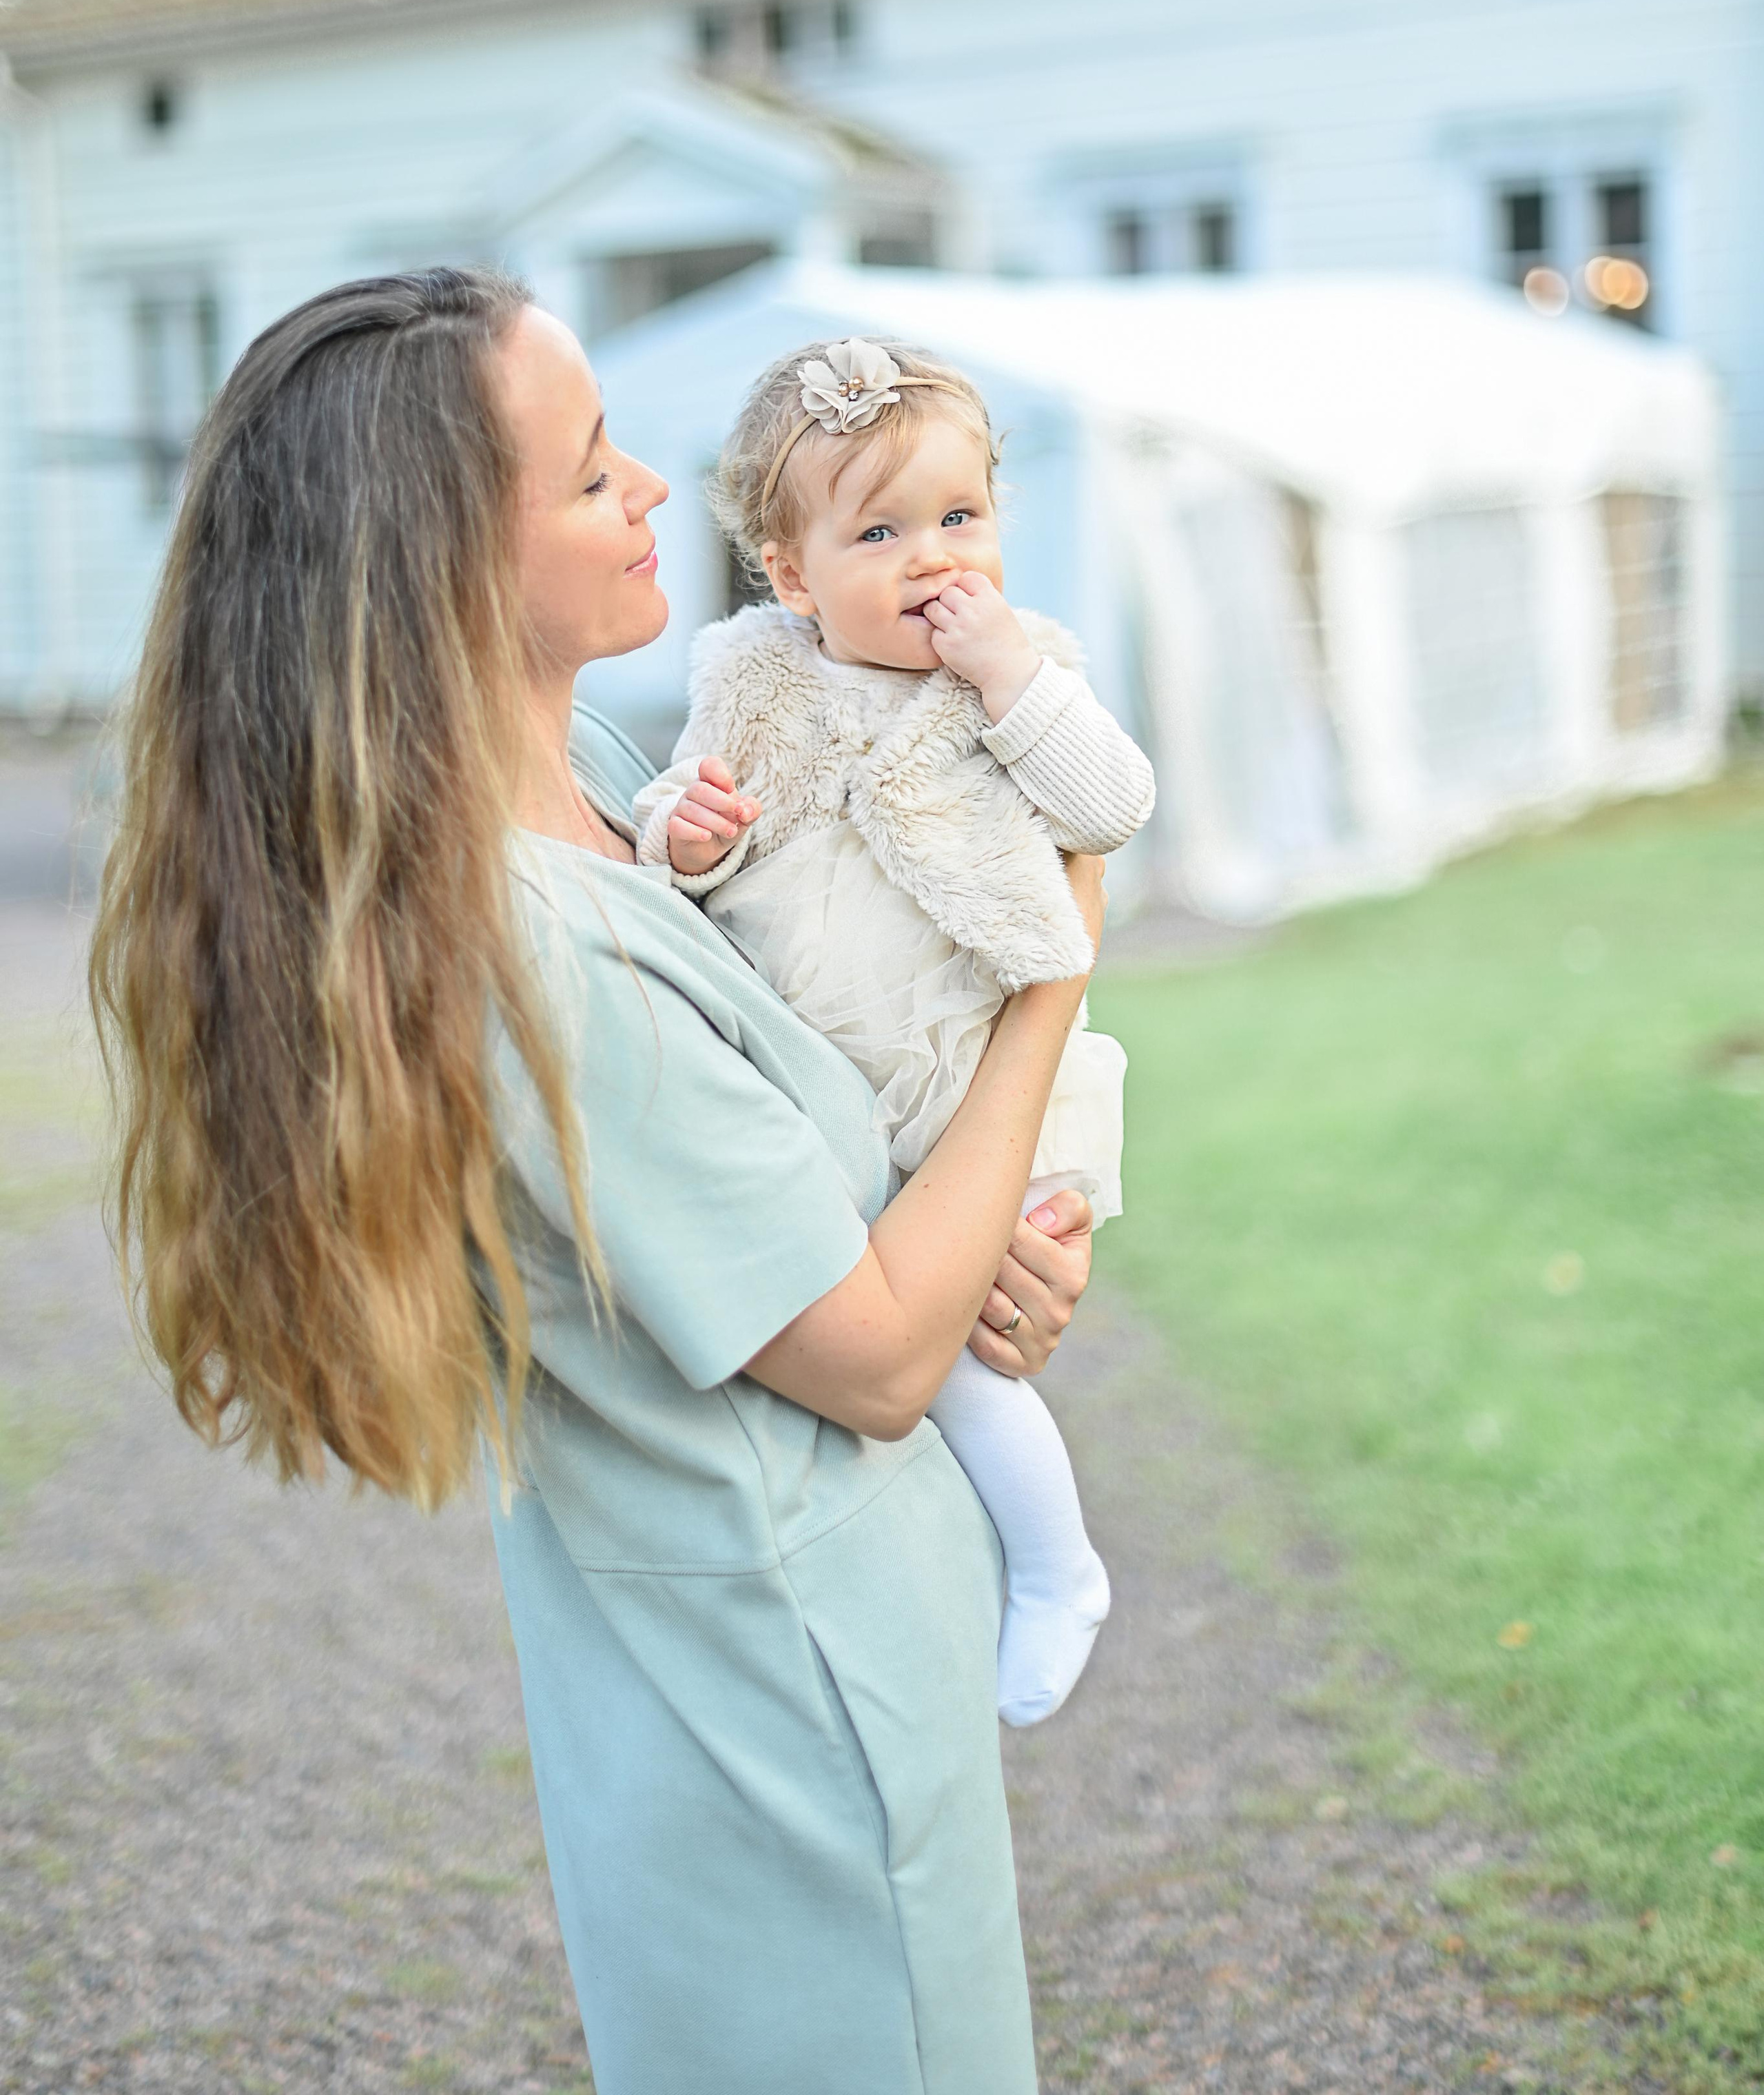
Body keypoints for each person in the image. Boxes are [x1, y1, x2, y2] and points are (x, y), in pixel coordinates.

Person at [90, 267, 1102, 2095]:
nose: (651, 492)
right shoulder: (532, 954)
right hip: (790, 1710)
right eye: (588, 473)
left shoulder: (607, 779)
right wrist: (1054, 982)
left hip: (739, 1667)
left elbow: (846, 1186)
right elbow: (870, 1356)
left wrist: (995, 1239)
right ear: (441, 570)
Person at [632, 335, 1154, 1727]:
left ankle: (1056, 1568)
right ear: (792, 575)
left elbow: (1107, 811)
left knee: (978, 1362)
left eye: (958, 518)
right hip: (825, 1098)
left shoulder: (1023, 671)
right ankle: (910, 1602)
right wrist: (684, 833)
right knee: (875, 1354)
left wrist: (1007, 681)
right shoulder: (752, 680)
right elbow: (677, 828)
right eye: (879, 530)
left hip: (978, 1081)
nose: (933, 559)